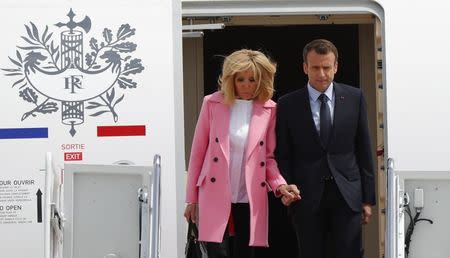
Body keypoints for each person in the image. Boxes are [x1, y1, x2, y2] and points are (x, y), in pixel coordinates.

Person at [184, 49, 300, 258]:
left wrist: (280, 185)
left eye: (252, 79)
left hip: (249, 195)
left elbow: (268, 158)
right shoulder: (212, 102)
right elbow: (198, 153)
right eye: (241, 79)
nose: (247, 85)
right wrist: (191, 199)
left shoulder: (269, 109)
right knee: (216, 254)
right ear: (231, 79)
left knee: (245, 254)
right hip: (214, 192)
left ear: (262, 80)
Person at [275, 39, 375, 258]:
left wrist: (368, 199)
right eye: (315, 67)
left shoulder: (354, 97)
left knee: (350, 253)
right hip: (305, 196)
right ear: (304, 67)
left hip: (348, 195)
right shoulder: (287, 104)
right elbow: (283, 153)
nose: (321, 74)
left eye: (327, 67)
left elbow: (364, 149)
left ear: (336, 67)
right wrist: (287, 186)